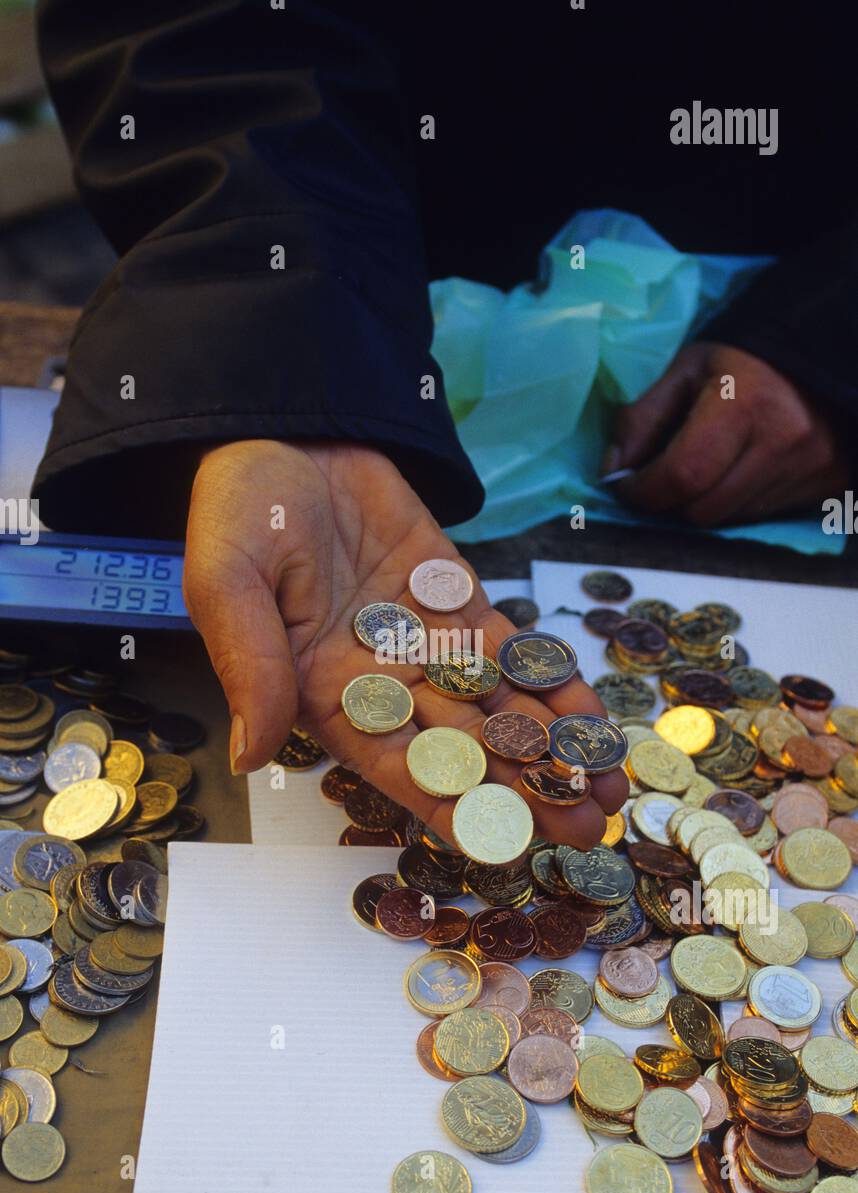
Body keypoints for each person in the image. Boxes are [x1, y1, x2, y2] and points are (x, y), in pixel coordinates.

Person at [32, 1, 855, 845]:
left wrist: (826, 345)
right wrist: (287, 377)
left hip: (787, 282)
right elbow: (198, 38)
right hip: (371, 304)